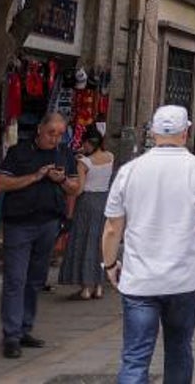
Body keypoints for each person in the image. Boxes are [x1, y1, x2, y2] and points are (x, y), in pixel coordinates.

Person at [102, 105, 195, 383]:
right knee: (179, 348)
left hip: (140, 280)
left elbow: (113, 227)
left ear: (152, 132)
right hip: (185, 280)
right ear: (186, 132)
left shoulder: (129, 172)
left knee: (135, 357)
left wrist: (111, 263)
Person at [0, 113, 80, 358]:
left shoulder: (63, 154)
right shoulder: (19, 152)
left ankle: (24, 328)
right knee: (15, 279)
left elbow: (75, 187)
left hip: (48, 223)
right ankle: (11, 335)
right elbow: (0, 184)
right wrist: (35, 176)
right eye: (51, 132)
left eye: (60, 134)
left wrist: (61, 179)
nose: (55, 138)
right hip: (20, 224)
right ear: (40, 130)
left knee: (35, 280)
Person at [58, 125, 115, 301]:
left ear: (87, 143)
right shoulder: (110, 157)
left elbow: (79, 189)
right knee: (99, 242)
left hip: (87, 202)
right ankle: (98, 286)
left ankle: (85, 288)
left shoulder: (84, 163)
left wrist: (63, 182)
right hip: (104, 201)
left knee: (84, 242)